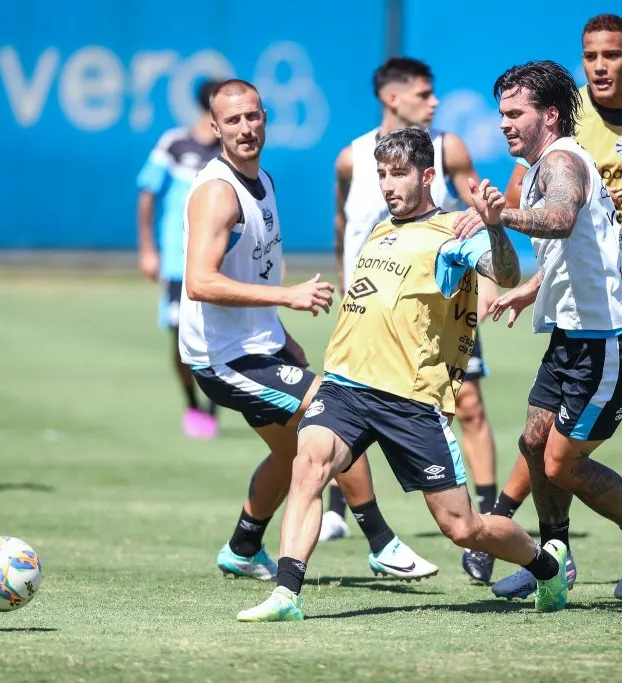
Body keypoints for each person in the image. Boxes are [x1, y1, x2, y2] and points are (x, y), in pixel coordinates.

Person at [236, 128, 572, 623]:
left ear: (428, 175)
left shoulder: (456, 231)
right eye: (382, 175)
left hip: (409, 400)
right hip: (345, 385)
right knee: (308, 466)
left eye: (399, 174)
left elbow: (502, 273)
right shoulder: (378, 228)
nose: (388, 185)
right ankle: (287, 594)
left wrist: (496, 227)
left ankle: (547, 565)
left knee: (462, 527)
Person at [180, 79, 437, 583]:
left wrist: (279, 332)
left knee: (291, 448)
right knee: (331, 407)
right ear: (215, 128)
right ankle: (381, 541)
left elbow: (252, 269)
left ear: (265, 117)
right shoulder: (218, 193)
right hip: (224, 357)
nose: (245, 128)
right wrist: (287, 297)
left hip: (259, 344)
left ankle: (243, 545)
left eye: (253, 116)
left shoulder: (263, 181)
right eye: (232, 121)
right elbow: (199, 281)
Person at [453, 60, 622, 602]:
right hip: (573, 337)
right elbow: (579, 248)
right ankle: (554, 559)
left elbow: (558, 218)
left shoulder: (561, 161)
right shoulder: (540, 166)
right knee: (534, 442)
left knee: (562, 461)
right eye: (501, 114)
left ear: (549, 115)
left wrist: (499, 214)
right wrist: (529, 289)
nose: (504, 123)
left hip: (610, 342)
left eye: (515, 113)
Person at [324, 58, 502, 562]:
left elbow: (475, 213)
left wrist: (484, 282)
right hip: (371, 305)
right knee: (348, 405)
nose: (435, 101)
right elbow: (342, 221)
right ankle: (341, 509)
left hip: (437, 301)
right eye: (424, 94)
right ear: (392, 98)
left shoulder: (448, 148)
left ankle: (486, 518)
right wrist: (347, 279)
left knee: (468, 404)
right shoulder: (351, 157)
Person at [137, 80, 224, 439]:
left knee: (222, 336)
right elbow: (146, 194)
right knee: (179, 339)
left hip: (220, 260)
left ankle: (212, 408)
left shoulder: (230, 149)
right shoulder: (174, 144)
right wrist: (147, 249)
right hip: (177, 260)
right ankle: (191, 403)